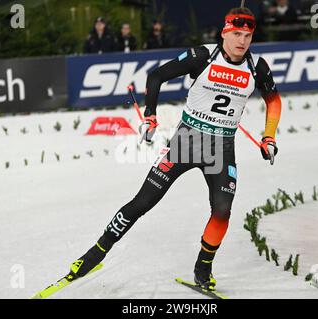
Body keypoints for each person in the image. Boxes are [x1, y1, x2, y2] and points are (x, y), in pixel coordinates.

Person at [42, 6, 282, 295]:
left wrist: (269, 137)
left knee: (222, 212)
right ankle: (93, 256)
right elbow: (156, 76)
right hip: (186, 142)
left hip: (221, 147)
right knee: (142, 203)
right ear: (224, 33)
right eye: (236, 34)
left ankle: (202, 272)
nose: (242, 41)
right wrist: (151, 116)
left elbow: (274, 100)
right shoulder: (203, 56)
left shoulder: (257, 67)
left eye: (247, 35)